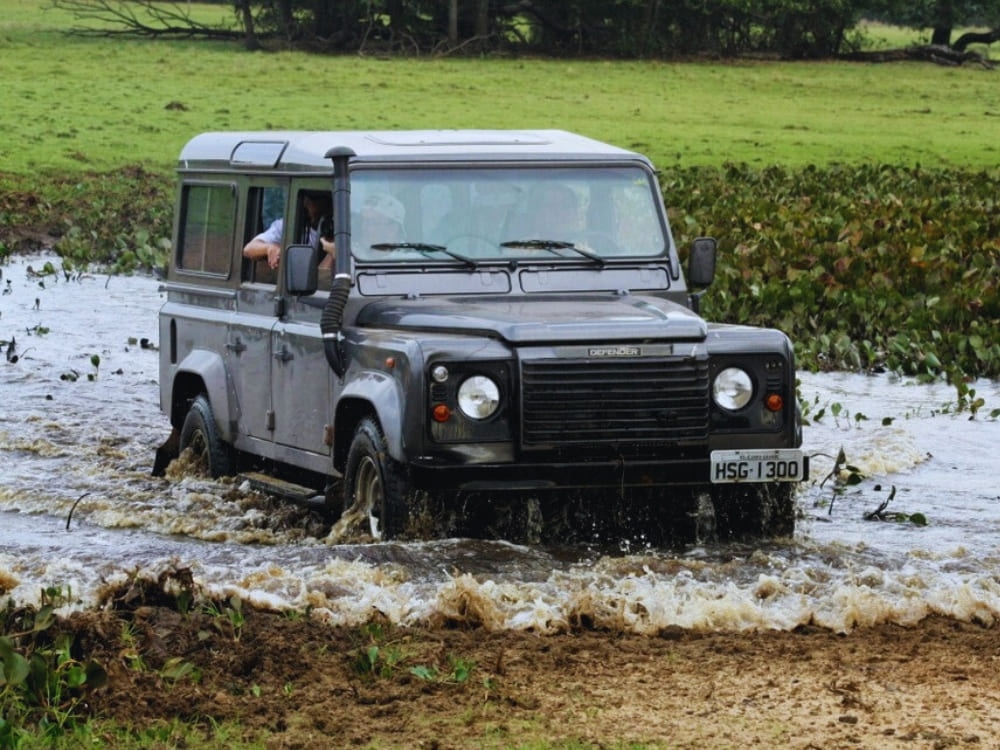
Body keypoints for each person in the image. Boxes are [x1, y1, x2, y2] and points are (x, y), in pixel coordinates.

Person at [243, 192, 332, 270]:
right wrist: (270, 248)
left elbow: (322, 279)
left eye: (326, 199)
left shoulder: (340, 231)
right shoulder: (290, 225)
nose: (322, 205)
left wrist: (334, 252)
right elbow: (248, 249)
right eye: (314, 199)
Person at [319, 191, 406, 260]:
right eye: (364, 221)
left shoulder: (407, 258)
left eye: (371, 222)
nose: (364, 228)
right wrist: (335, 250)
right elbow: (322, 278)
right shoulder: (358, 250)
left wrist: (341, 257)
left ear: (392, 229)